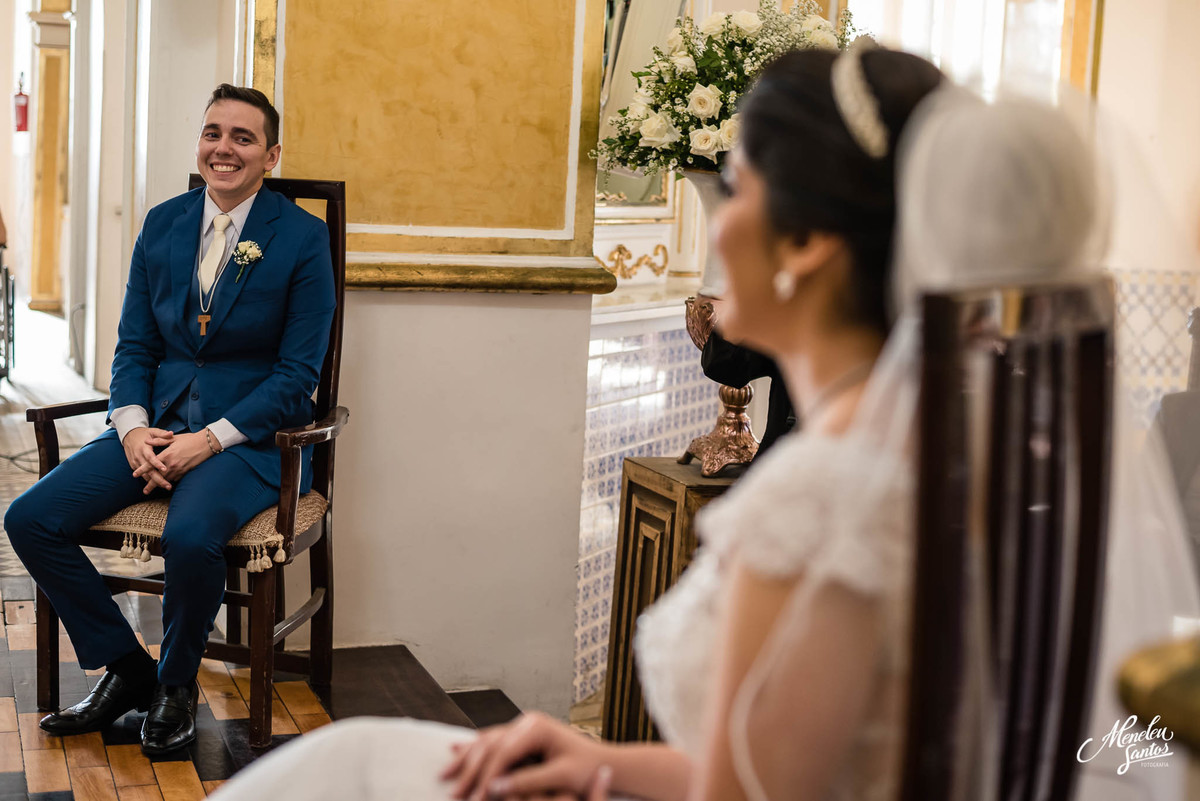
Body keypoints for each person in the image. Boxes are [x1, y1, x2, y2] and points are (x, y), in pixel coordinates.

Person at [209, 44, 945, 801]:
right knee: (356, 756)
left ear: (809, 242)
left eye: (737, 190)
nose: (718, 227)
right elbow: (771, 775)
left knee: (343, 772)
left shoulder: (815, 499)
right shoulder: (907, 446)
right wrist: (591, 757)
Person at [3, 83, 336, 756]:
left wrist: (205, 441)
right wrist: (129, 427)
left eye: (243, 138)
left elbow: (297, 379)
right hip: (151, 429)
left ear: (271, 154)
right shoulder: (163, 223)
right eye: (214, 132)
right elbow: (135, 346)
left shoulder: (302, 238)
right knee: (29, 518)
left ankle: (177, 684)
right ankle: (131, 671)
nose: (224, 148)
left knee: (190, 536)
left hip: (248, 445)